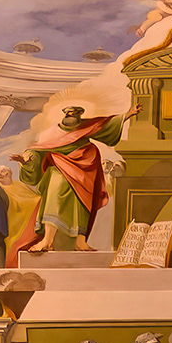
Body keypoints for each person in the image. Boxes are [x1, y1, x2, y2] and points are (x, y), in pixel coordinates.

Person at [24, 105, 122, 253]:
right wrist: (27, 160)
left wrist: (126, 116)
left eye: (73, 113)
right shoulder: (54, 133)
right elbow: (39, 150)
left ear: (79, 116)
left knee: (83, 203)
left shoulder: (87, 131)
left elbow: (104, 125)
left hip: (84, 170)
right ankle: (48, 240)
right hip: (59, 169)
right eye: (67, 113)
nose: (69, 115)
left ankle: (80, 241)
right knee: (55, 192)